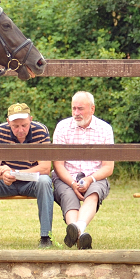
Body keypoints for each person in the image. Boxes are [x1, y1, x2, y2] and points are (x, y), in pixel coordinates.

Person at [0, 103, 54, 248]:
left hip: (31, 182)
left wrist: (18, 174)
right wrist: (2, 172)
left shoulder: (41, 131)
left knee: (45, 181)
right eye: (15, 126)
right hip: (7, 183)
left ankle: (46, 236)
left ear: (31, 119)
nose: (20, 130)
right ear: (8, 122)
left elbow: (46, 167)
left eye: (24, 125)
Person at [52, 91, 114, 249]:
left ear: (92, 109)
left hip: (95, 176)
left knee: (93, 193)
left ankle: (77, 230)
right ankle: (80, 236)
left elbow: (108, 167)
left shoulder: (105, 129)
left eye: (80, 109)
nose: (76, 113)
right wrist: (73, 183)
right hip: (66, 176)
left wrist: (90, 179)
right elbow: (58, 164)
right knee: (68, 195)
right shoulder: (62, 127)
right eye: (73, 109)